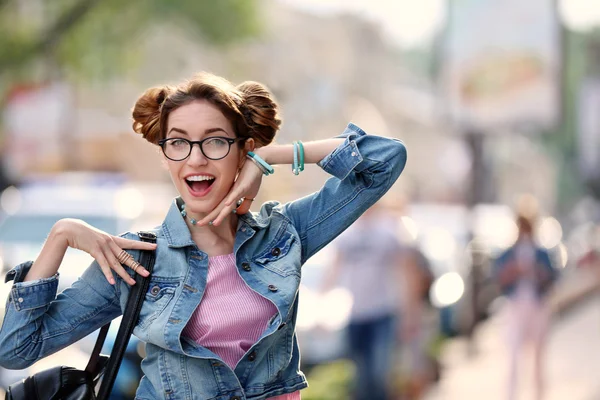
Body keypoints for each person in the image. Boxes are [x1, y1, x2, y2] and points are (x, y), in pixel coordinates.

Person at [0, 72, 407, 399]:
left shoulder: (285, 235)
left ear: (242, 150)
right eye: (178, 142)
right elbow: (16, 350)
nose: (195, 158)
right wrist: (61, 234)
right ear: (164, 155)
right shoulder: (137, 258)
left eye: (214, 141)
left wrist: (273, 156)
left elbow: (386, 159)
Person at [321, 204, 423, 400]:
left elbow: (406, 271)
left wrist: (409, 313)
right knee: (359, 377)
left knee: (378, 374)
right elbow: (333, 269)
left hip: (382, 313)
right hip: (355, 314)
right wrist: (322, 307)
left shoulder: (388, 232)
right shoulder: (346, 231)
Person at [494, 214, 559, 400]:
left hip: (537, 307)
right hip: (516, 306)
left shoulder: (541, 253)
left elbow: (552, 277)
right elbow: (499, 279)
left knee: (538, 359)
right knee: (513, 357)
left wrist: (535, 271)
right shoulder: (509, 254)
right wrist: (515, 270)